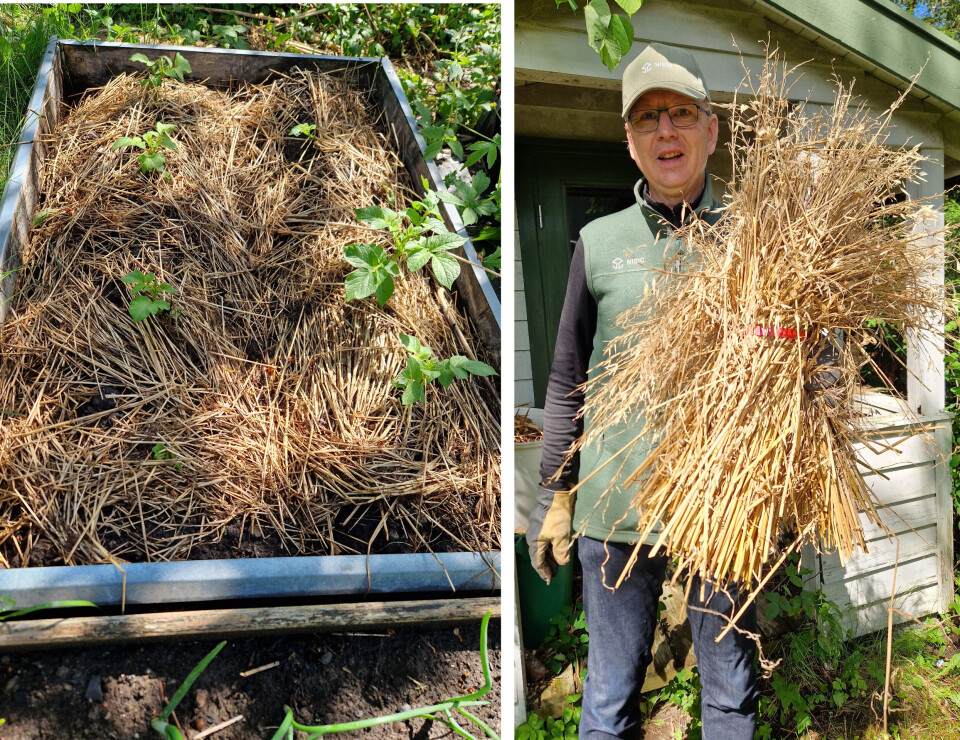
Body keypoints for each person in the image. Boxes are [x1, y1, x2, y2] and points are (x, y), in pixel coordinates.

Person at [525, 43, 760, 739]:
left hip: (724, 510)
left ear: (710, 131)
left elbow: (806, 365)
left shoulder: (757, 239)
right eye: (648, 119)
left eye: (681, 114)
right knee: (607, 701)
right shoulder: (598, 243)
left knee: (729, 697)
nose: (666, 131)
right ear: (629, 144)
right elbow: (568, 377)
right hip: (616, 505)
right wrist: (553, 492)